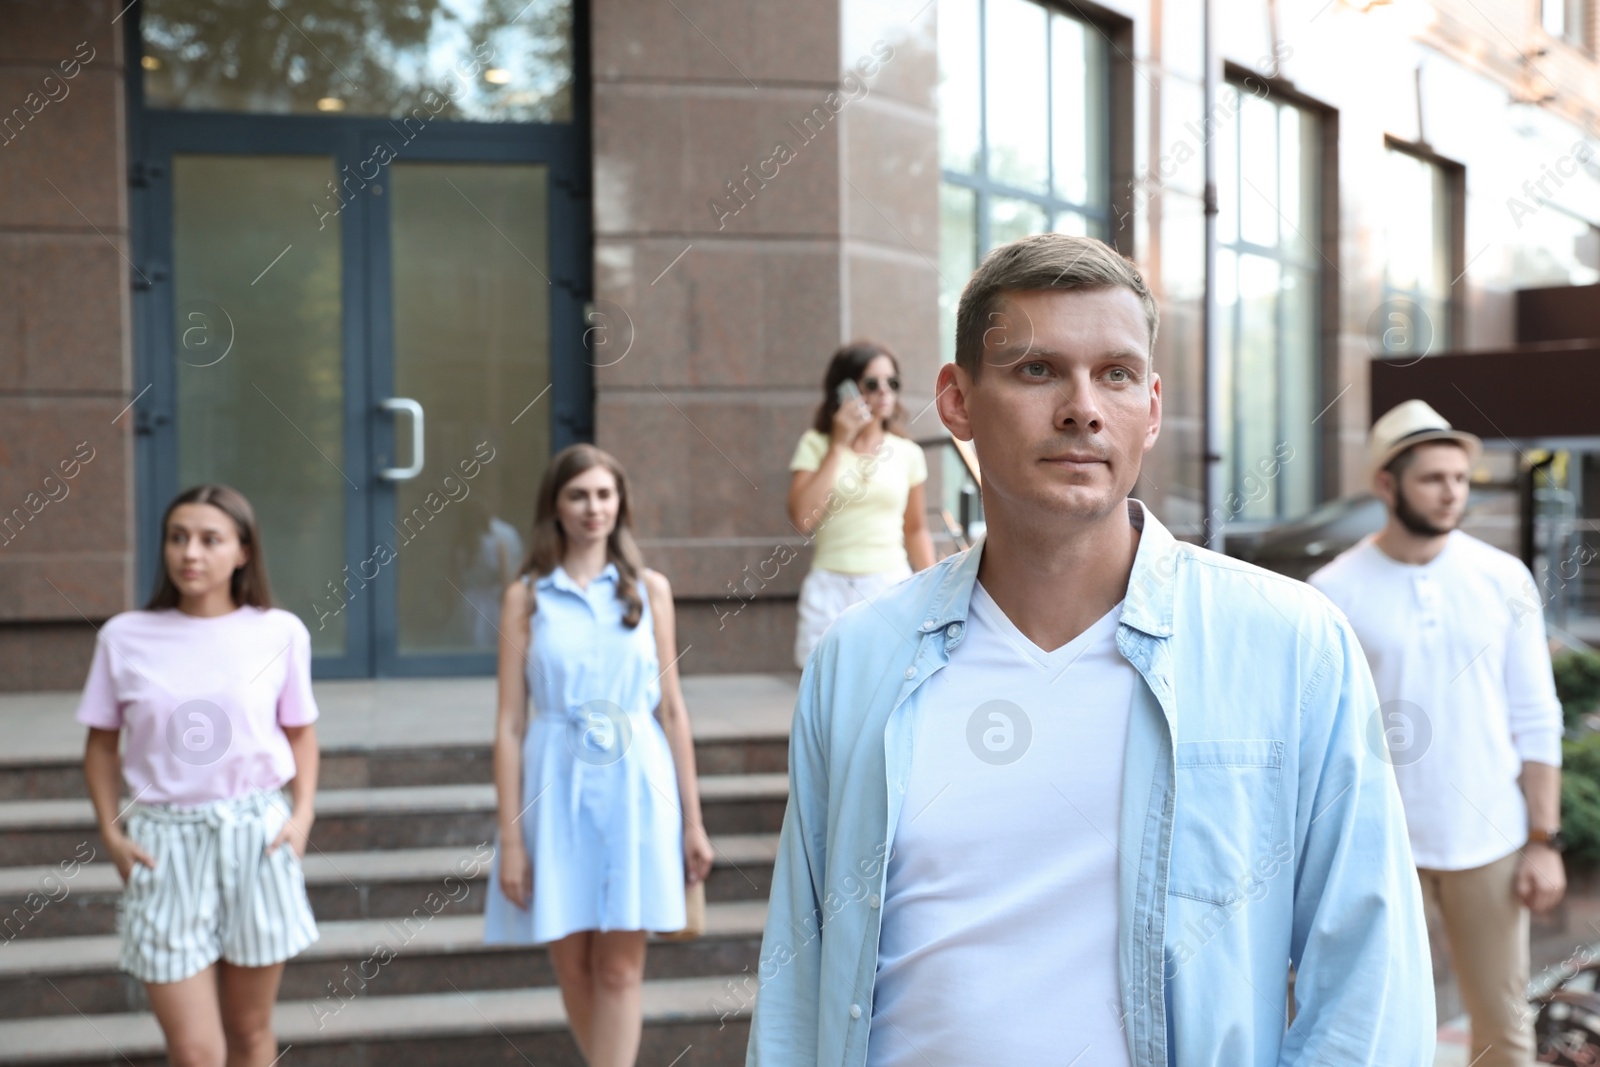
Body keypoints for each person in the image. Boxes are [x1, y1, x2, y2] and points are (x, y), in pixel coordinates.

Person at [746, 234, 1433, 1066]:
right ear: (957, 402)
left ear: (1149, 404)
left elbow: (1370, 985)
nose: (1081, 407)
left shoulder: (1289, 645)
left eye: (1113, 373)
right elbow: (797, 975)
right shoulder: (858, 660)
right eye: (1037, 370)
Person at [1310, 399, 1565, 1067]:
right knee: (1383, 1032)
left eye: (1460, 477)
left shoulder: (1503, 576)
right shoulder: (1331, 589)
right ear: (1387, 485)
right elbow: (1316, 735)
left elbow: (1537, 714)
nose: (1453, 491)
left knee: (1503, 1035)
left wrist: (1544, 839)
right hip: (1380, 846)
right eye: (1434, 478)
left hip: (1491, 841)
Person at [484, 443, 716, 1067]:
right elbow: (508, 725)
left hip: (636, 784)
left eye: (605, 495)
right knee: (573, 965)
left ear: (621, 504)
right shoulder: (526, 597)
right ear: (554, 507)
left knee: (618, 970)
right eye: (579, 495)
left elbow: (673, 710)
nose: (594, 508)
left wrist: (692, 821)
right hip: (552, 784)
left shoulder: (650, 591)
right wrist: (510, 841)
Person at [76, 484, 320, 1067]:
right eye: (178, 537)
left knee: (251, 1034)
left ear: (242, 551)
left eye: (211, 540)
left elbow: (301, 732)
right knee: (194, 1051)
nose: (190, 553)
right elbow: (101, 746)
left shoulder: (280, 632)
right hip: (163, 845)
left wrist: (303, 814)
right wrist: (112, 832)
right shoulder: (124, 636)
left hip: (257, 838)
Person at [787, 341, 937, 669]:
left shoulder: (908, 452)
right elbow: (802, 519)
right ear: (845, 389)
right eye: (872, 383)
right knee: (822, 690)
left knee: (884, 687)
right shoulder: (817, 445)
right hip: (829, 587)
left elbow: (916, 529)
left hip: (889, 584)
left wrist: (935, 595)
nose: (884, 391)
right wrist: (840, 443)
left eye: (892, 382)